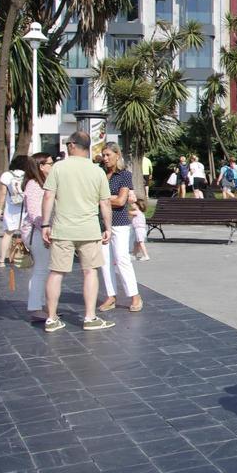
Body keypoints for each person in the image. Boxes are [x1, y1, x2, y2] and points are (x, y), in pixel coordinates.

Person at [40, 131, 115, 333]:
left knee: (56, 273)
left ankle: (51, 318)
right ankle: (90, 317)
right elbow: (105, 203)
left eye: (67, 143)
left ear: (73, 145)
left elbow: (48, 197)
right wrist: (107, 228)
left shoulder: (58, 168)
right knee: (90, 272)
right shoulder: (97, 171)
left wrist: (45, 225)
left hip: (62, 229)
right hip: (89, 230)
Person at [97, 143, 143, 314]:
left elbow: (121, 201)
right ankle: (111, 295)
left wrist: (102, 199)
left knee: (122, 258)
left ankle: (135, 295)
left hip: (120, 222)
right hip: (101, 223)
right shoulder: (100, 173)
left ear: (117, 155)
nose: (105, 158)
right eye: (104, 155)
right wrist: (109, 198)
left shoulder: (124, 175)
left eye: (108, 154)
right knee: (104, 261)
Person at [20, 153, 53, 322]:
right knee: (41, 269)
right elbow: (34, 214)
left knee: (45, 270)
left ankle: (44, 306)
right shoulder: (34, 185)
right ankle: (35, 307)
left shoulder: (42, 183)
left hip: (42, 231)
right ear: (41, 166)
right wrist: (47, 228)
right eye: (50, 163)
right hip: (37, 233)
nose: (52, 166)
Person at [0, 155, 29, 267]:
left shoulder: (7, 175)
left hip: (11, 208)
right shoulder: (28, 175)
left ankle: (1, 261)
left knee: (8, 234)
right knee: (27, 233)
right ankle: (26, 258)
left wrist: (0, 208)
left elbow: (3, 193)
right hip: (26, 207)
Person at [130, 192, 151, 261]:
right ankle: (134, 255)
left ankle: (146, 255)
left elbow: (128, 212)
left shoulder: (137, 212)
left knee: (141, 243)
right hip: (139, 230)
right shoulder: (140, 213)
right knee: (136, 243)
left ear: (137, 206)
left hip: (139, 230)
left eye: (133, 204)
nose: (132, 205)